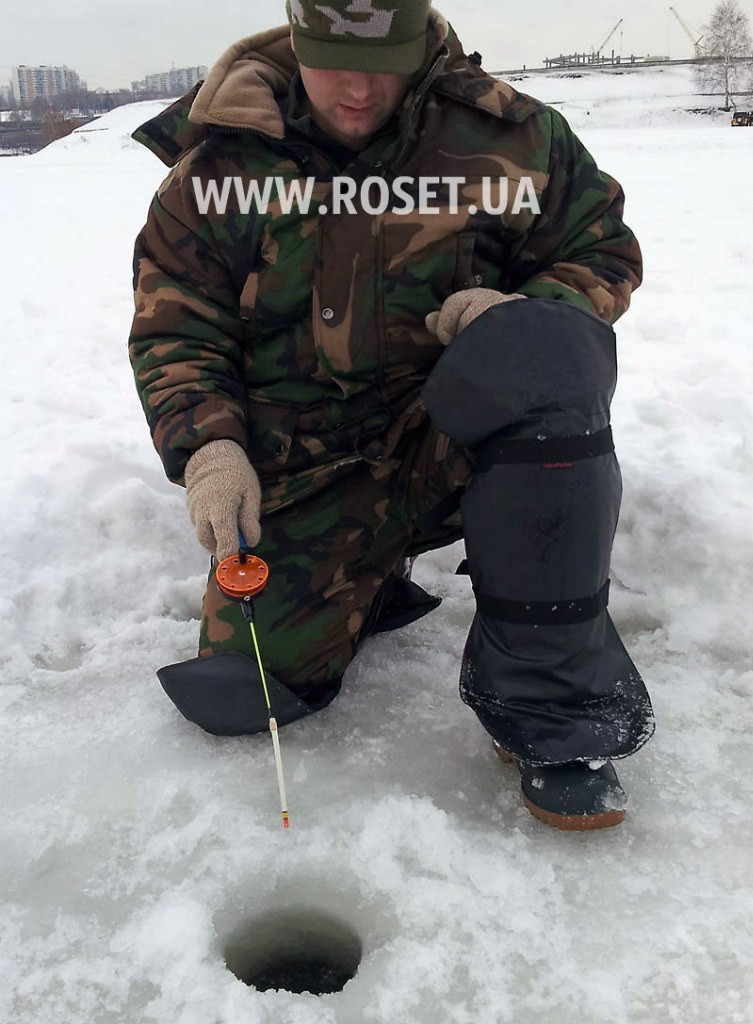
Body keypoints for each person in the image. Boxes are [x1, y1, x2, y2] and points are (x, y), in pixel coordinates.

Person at [128, 0, 655, 830]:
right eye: (332, 63)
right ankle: (367, 579)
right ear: (297, 42)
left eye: (383, 65)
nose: (356, 91)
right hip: (306, 466)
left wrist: (516, 309)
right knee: (249, 693)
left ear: (423, 46)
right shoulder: (220, 166)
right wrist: (209, 449)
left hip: (459, 439)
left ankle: (553, 718)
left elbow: (599, 250)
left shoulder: (512, 138)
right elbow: (176, 326)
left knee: (548, 360)